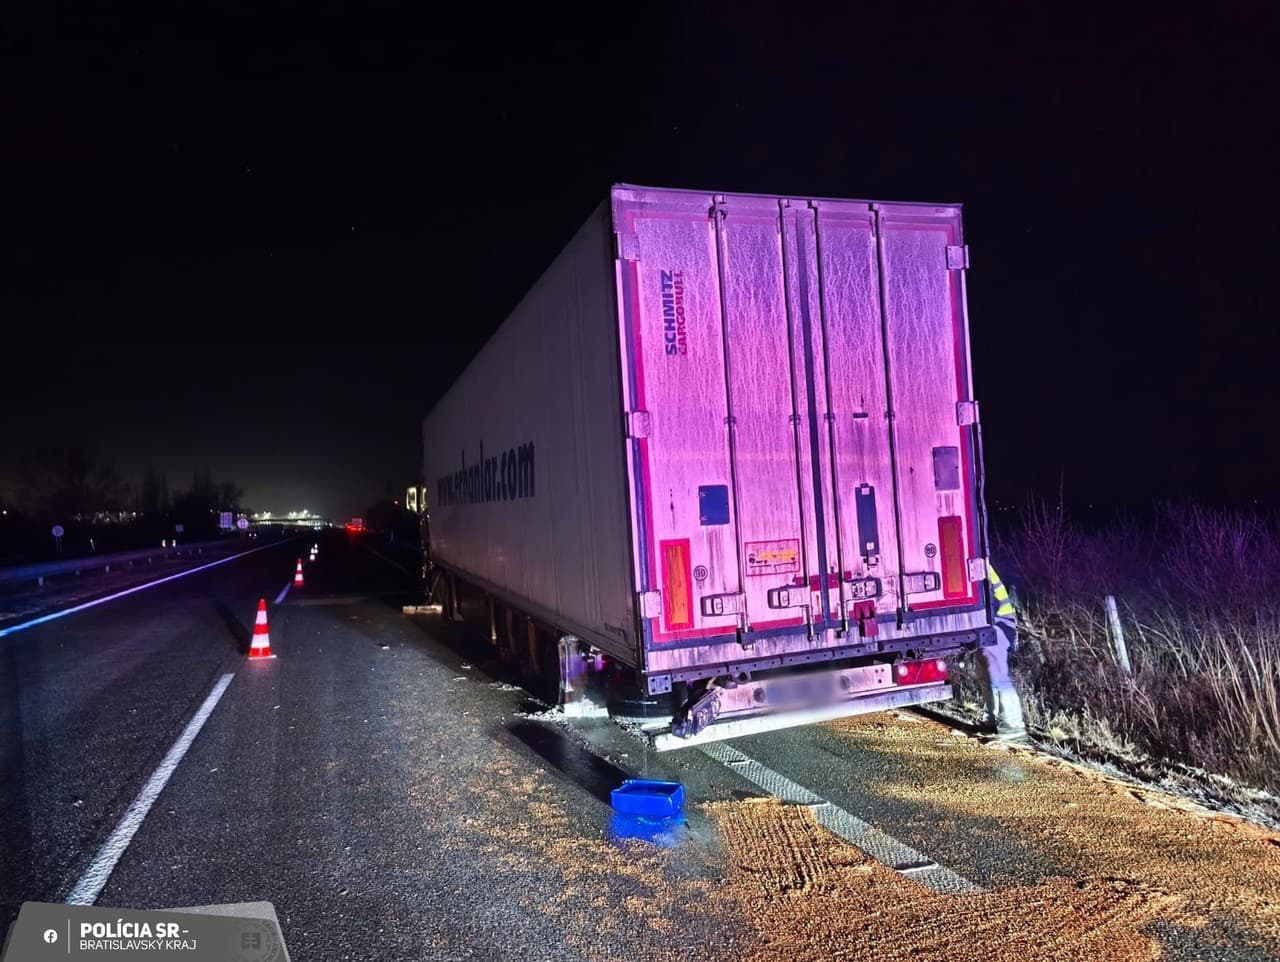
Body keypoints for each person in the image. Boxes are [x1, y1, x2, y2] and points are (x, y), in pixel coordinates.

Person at [975, 562, 1027, 738]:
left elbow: (990, 601)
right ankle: (990, 720)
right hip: (989, 626)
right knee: (985, 676)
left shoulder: (980, 564)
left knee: (999, 678)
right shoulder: (978, 563)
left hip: (997, 625)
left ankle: (1014, 725)